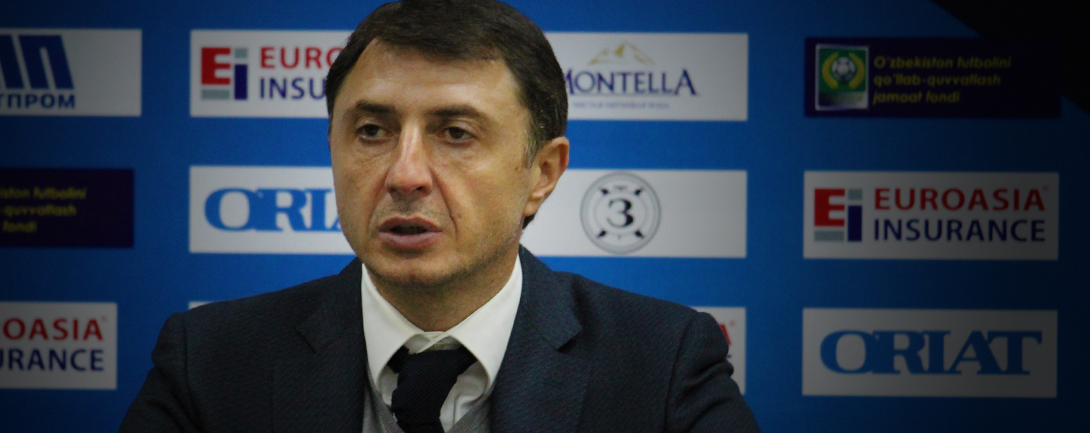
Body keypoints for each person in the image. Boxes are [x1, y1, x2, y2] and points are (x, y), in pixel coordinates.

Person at [120, 0, 759, 431]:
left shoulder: (664, 364)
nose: (405, 175)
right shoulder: (209, 363)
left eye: (455, 133)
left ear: (542, 174)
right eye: (372, 131)